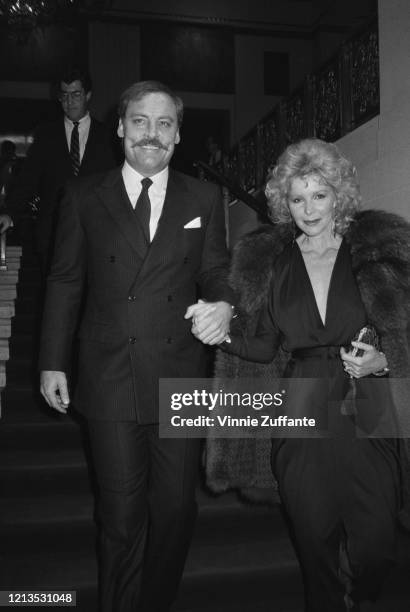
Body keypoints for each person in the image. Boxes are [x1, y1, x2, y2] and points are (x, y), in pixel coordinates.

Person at [187, 138, 410, 611]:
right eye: (297, 197)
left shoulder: (372, 254)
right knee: (313, 539)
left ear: (339, 195)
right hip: (301, 402)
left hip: (368, 404)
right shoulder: (275, 264)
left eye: (319, 195)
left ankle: (362, 599)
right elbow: (264, 345)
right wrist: (218, 334)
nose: (308, 208)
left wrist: (385, 359)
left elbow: (402, 329)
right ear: (283, 203)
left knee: (376, 542)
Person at [39, 80, 236, 612]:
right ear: (121, 128)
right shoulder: (83, 195)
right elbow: (63, 281)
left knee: (174, 515)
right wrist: (53, 362)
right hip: (109, 374)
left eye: (165, 123)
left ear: (177, 135)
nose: (152, 134)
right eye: (141, 122)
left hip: (180, 374)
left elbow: (217, 272)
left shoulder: (204, 196)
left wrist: (223, 305)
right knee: (121, 518)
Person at [0, 67, 116, 272]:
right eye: (64, 96)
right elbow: (28, 179)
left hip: (97, 235)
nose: (69, 102)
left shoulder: (108, 136)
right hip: (53, 235)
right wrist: (9, 213)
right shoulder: (46, 135)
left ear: (88, 95)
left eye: (76, 95)